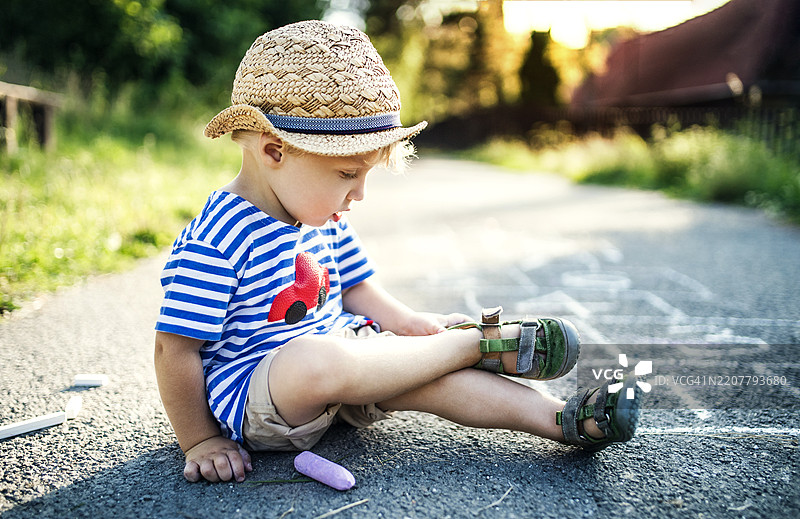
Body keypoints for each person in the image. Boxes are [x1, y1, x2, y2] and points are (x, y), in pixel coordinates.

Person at [154, 20, 643, 484]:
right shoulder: (217, 238)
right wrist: (200, 440)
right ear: (274, 151)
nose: (359, 194)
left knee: (427, 372)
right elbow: (174, 349)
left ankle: (565, 420)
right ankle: (472, 345)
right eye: (347, 174)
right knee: (318, 359)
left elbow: (357, 286)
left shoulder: (322, 215)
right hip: (263, 402)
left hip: (349, 363)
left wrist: (409, 324)